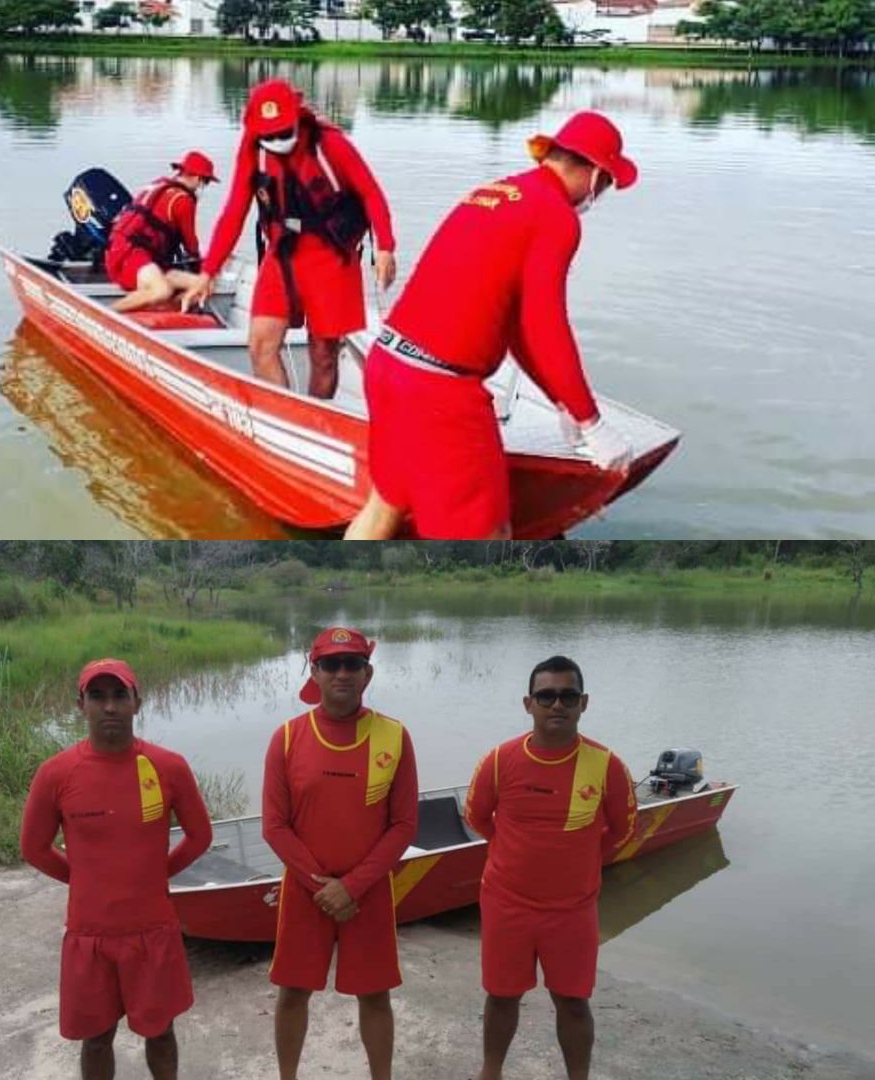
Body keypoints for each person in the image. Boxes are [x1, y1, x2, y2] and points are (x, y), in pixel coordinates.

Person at [345, 111, 639, 541]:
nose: (603, 194)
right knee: (487, 535)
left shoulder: (501, 191)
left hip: (389, 367)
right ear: (595, 172)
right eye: (609, 182)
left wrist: (562, 399)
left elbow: (517, 325)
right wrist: (592, 422)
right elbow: (546, 322)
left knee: (386, 504)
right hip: (439, 394)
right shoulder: (557, 217)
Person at [20, 658, 213, 1080]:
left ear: (136, 703)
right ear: (80, 704)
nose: (110, 707)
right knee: (96, 1038)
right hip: (90, 934)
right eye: (98, 696)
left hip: (153, 929)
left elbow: (200, 836)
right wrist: (83, 877)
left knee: (161, 1033)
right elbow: (33, 848)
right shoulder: (56, 773)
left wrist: (156, 875)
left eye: (119, 696)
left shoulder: (168, 767)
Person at [463, 655, 637, 1080]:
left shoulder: (606, 765)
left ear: (584, 703)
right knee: (501, 996)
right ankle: (491, 1073)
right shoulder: (500, 761)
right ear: (528, 703)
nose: (557, 705)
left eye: (567, 696)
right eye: (546, 696)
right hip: (507, 905)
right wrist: (518, 855)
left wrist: (577, 861)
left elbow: (623, 829)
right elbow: (478, 818)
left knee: (573, 1001)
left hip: (573, 910)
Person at [262, 627, 418, 1080]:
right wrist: (322, 886)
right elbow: (274, 825)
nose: (342, 673)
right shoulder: (288, 738)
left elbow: (404, 824)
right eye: (331, 664)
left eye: (353, 664)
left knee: (375, 995)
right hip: (304, 892)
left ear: (368, 673)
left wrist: (351, 886)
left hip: (367, 893)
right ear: (316, 671)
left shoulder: (393, 736)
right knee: (293, 992)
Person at [180, 79, 397, 399]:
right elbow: (234, 211)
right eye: (269, 135)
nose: (277, 140)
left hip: (332, 260)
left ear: (297, 116)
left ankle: (315, 416)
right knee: (260, 344)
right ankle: (280, 412)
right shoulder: (253, 148)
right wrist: (208, 271)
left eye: (283, 132)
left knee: (323, 355)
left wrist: (386, 248)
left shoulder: (330, 144)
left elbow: (371, 194)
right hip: (281, 255)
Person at [105, 151, 219, 313]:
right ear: (198, 178)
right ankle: (108, 314)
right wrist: (206, 267)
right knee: (162, 290)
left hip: (119, 251)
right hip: (130, 256)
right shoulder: (183, 200)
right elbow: (191, 246)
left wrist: (205, 275)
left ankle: (170, 313)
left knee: (205, 284)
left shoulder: (159, 184)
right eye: (206, 182)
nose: (203, 187)